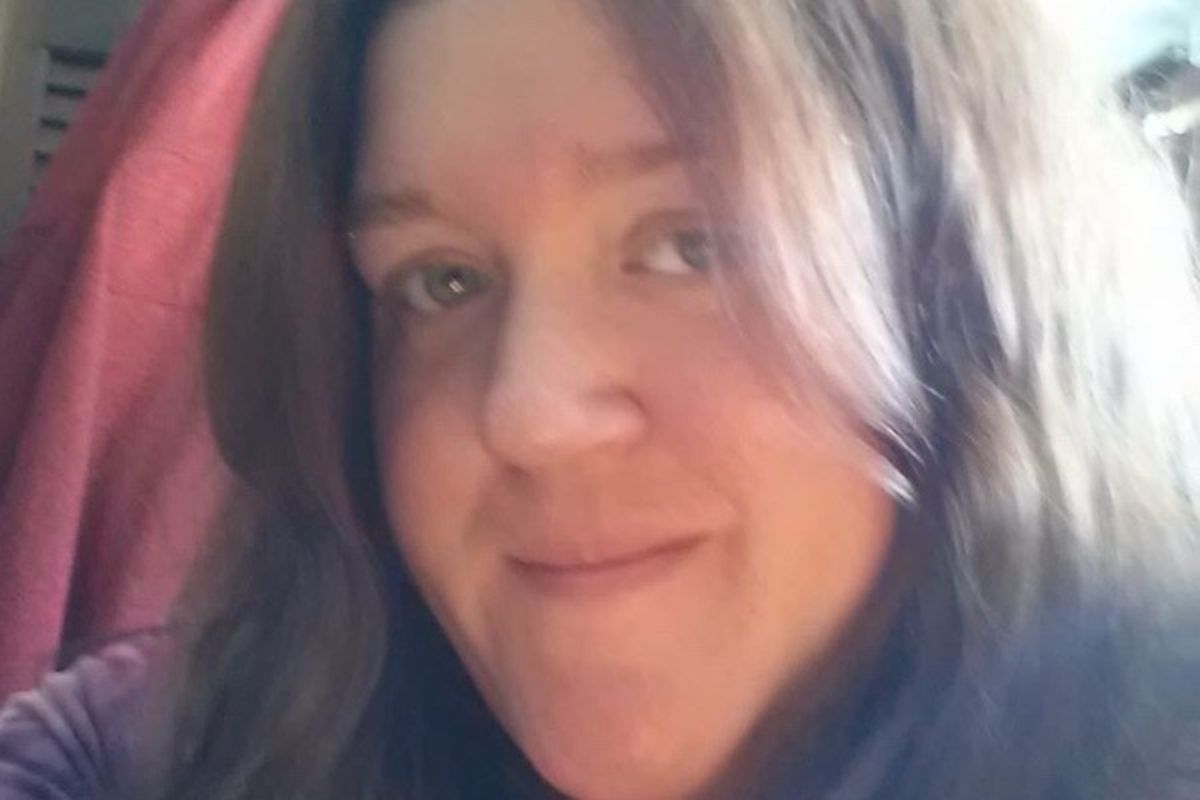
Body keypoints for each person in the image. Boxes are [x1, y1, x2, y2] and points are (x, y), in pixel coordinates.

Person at [3, 0, 1200, 798]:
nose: (525, 413)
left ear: (969, 289)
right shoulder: (185, 737)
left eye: (693, 245)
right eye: (441, 279)